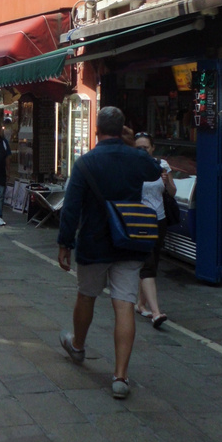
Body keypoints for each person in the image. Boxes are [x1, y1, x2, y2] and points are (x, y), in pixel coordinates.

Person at [57, 106, 162, 400]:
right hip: (129, 240)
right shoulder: (136, 158)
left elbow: (71, 206)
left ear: (96, 130)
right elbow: (155, 170)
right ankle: (120, 376)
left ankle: (78, 346)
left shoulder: (86, 162)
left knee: (86, 296)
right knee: (125, 304)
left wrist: (65, 243)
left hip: (93, 241)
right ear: (122, 129)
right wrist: (130, 143)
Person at [134, 132, 176, 329]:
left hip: (159, 220)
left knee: (153, 263)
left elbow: (172, 192)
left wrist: (167, 181)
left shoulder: (162, 165)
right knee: (148, 263)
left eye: (146, 147)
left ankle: (141, 304)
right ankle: (156, 312)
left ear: (152, 148)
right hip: (140, 220)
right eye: (138, 148)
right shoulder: (131, 166)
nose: (142, 151)